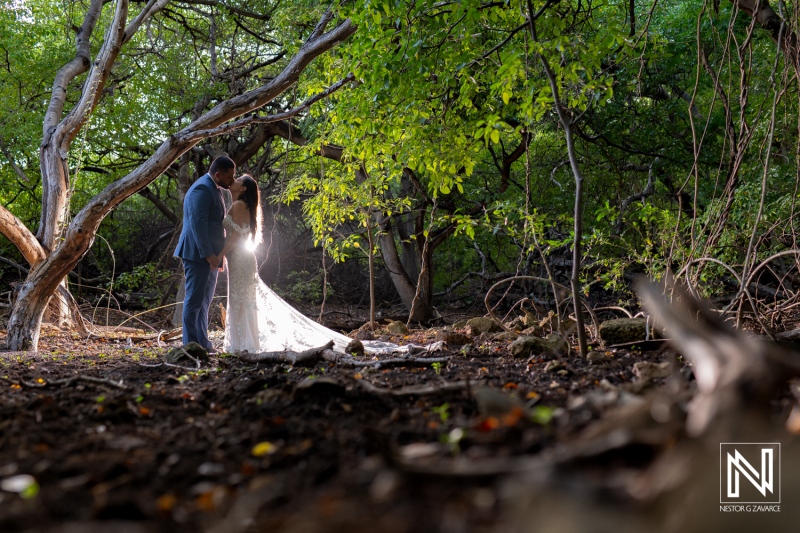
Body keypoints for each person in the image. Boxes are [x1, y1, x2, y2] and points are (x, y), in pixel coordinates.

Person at [219, 174, 356, 353]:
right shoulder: (243, 205)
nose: (233, 180)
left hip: (240, 258)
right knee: (243, 300)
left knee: (241, 299)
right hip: (242, 258)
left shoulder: (238, 205)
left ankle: (243, 345)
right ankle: (246, 344)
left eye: (238, 180)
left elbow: (236, 236)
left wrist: (219, 255)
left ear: (243, 188)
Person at [174, 156, 236, 354]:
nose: (232, 181)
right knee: (194, 300)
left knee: (205, 301)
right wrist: (209, 254)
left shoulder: (214, 188)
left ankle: (203, 344)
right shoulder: (202, 189)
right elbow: (197, 224)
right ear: (218, 174)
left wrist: (219, 256)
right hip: (197, 254)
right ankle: (190, 346)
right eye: (229, 177)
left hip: (211, 256)